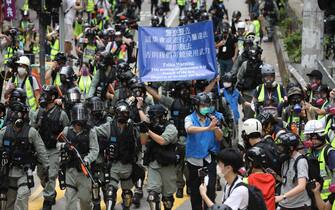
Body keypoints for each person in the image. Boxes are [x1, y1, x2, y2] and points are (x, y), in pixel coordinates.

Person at [0, 101, 49, 210]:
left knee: (22, 198)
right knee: (8, 203)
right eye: (18, 113)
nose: (21, 116)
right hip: (8, 173)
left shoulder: (31, 132)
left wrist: (46, 168)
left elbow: (41, 151)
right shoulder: (4, 132)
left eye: (23, 113)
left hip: (24, 172)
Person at [31, 85, 69, 210]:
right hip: (40, 150)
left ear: (53, 97)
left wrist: (63, 143)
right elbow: (32, 126)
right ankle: (50, 190)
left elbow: (67, 129)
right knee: (41, 174)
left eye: (46, 94)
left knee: (51, 174)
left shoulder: (61, 114)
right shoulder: (39, 111)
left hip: (54, 150)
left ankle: (47, 200)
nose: (43, 96)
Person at [95, 100, 137, 210]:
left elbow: (140, 144)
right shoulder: (109, 127)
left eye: (126, 113)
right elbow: (94, 132)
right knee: (110, 192)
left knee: (127, 194)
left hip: (128, 165)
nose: (124, 115)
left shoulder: (133, 127)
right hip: (113, 165)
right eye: (122, 113)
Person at [185, 92, 223, 210]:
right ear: (196, 106)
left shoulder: (211, 119)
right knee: (195, 192)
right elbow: (189, 129)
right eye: (202, 105)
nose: (205, 108)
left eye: (207, 105)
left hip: (208, 158)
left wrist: (215, 127)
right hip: (194, 161)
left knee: (210, 189)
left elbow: (219, 137)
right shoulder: (189, 118)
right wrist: (207, 128)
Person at [58, 103, 99, 210]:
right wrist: (64, 146)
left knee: (85, 200)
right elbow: (57, 144)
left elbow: (95, 150)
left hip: (84, 172)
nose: (78, 125)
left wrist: (87, 160)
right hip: (70, 171)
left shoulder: (91, 131)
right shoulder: (67, 131)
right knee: (70, 202)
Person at [140, 104, 179, 210]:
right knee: (152, 196)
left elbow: (163, 141)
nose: (154, 120)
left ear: (163, 117)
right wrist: (143, 130)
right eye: (152, 117)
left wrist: (148, 131)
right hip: (154, 164)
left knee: (167, 199)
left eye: (156, 117)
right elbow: (143, 141)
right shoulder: (150, 126)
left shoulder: (171, 128)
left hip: (168, 165)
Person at [275, 132, 312, 209]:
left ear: (291, 148)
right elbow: (288, 181)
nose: (279, 150)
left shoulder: (300, 161)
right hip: (284, 204)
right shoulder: (285, 159)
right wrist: (276, 177)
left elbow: (302, 186)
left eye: (281, 147)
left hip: (299, 205)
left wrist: (283, 196)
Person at [303, 120, 335, 201]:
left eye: (313, 138)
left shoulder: (330, 153)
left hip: (327, 198)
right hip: (312, 196)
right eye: (309, 138)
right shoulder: (309, 152)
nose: (310, 141)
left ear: (320, 136)